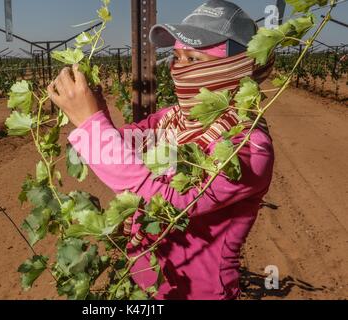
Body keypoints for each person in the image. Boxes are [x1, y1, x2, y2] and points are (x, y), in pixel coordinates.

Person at [47, 0, 276, 300]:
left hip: (197, 294)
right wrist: (97, 108)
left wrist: (90, 124)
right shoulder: (172, 119)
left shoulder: (247, 146)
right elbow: (124, 146)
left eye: (192, 59)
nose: (178, 69)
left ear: (233, 66)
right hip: (148, 287)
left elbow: (169, 202)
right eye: (176, 57)